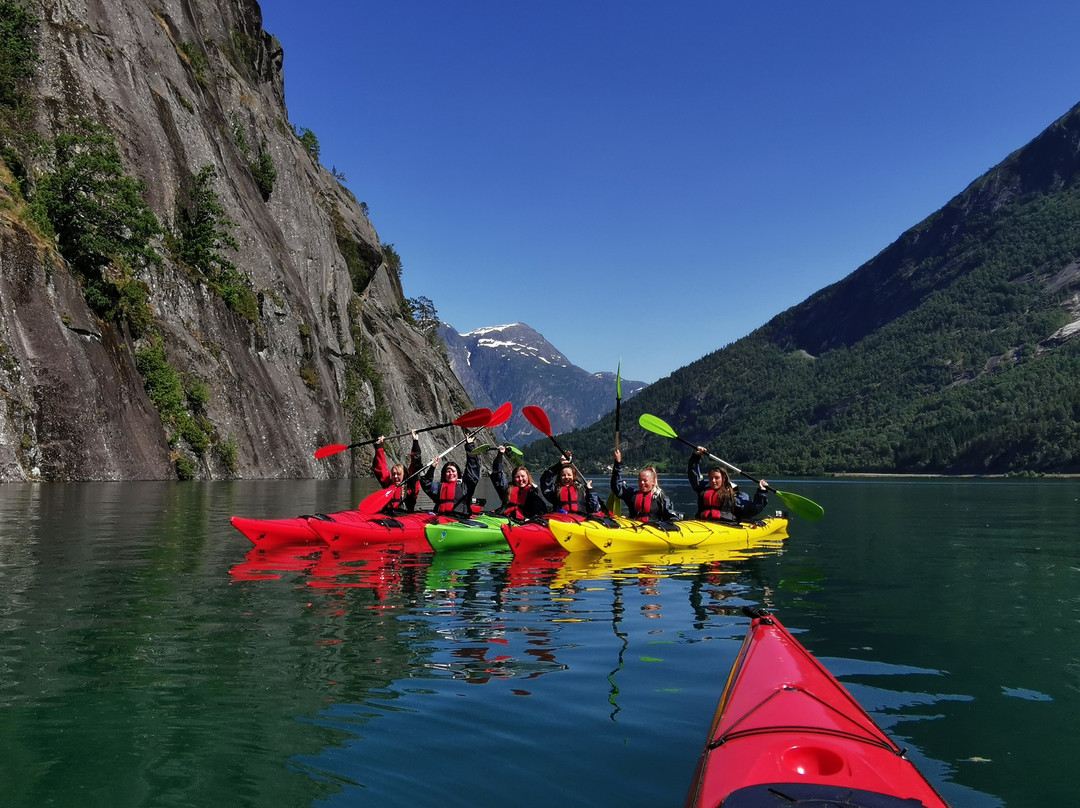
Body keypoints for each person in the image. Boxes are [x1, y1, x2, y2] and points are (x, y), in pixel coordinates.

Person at [687, 447, 768, 521]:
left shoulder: (735, 495)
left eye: (717, 478)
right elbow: (693, 475)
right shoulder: (703, 488)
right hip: (702, 523)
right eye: (711, 478)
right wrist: (696, 456)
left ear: (724, 479)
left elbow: (753, 509)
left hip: (726, 525)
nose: (713, 481)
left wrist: (762, 492)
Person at [610, 448, 679, 522]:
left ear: (653, 482)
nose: (642, 483)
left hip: (653, 529)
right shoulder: (632, 494)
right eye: (640, 480)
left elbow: (671, 516)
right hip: (633, 528)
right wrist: (618, 463)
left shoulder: (661, 497)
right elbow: (616, 486)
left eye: (645, 480)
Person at [420, 437, 480, 518]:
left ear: (458, 473)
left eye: (453, 471)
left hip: (460, 520)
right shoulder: (438, 488)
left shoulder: (465, 486)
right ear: (444, 474)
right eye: (448, 471)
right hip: (442, 520)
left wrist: (470, 446)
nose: (450, 473)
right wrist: (432, 468)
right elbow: (425, 483)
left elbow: (472, 470)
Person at [490, 446, 549, 520]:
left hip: (524, 521)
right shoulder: (507, 488)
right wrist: (500, 454)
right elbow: (497, 473)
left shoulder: (533, 492)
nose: (520, 479)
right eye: (517, 477)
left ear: (528, 477)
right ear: (514, 479)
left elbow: (540, 510)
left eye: (523, 476)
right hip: (504, 519)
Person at [371, 430, 422, 513]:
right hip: (387, 517)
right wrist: (379, 446)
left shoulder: (410, 486)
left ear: (404, 475)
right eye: (393, 474)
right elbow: (380, 468)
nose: (395, 477)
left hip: (404, 518)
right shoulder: (388, 484)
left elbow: (416, 466)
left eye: (398, 474)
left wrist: (415, 441)